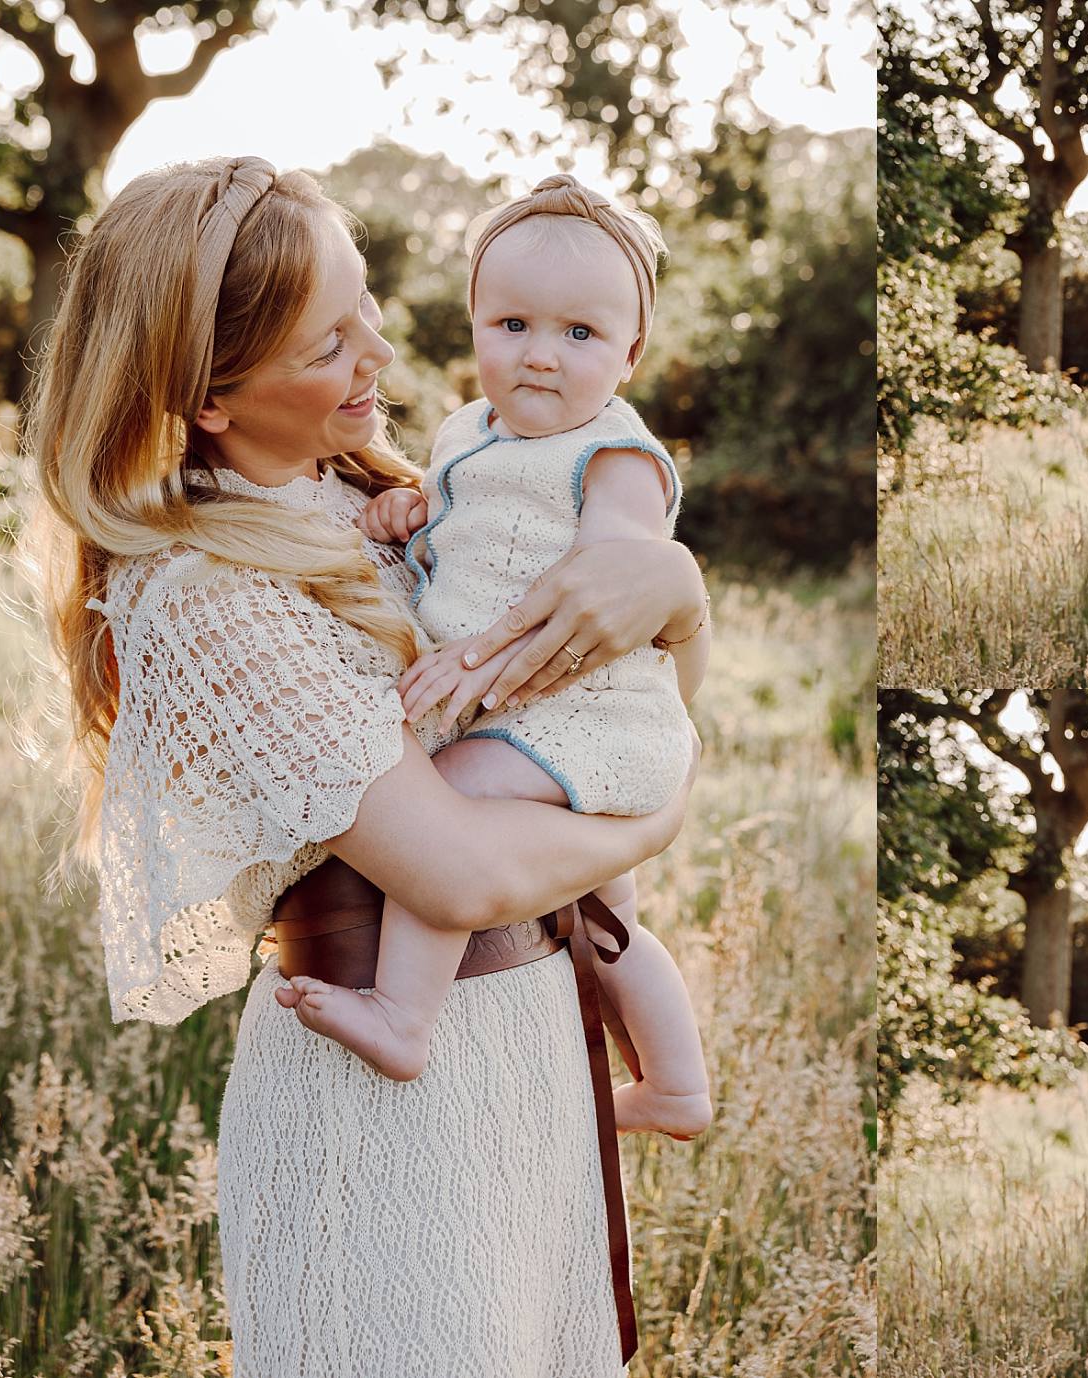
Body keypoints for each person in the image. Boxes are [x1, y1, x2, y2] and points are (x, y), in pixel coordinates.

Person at [26, 156, 709, 1375]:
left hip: (528, 1045)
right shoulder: (202, 591)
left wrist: (678, 598)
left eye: (370, 311)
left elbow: (628, 715)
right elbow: (451, 876)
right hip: (381, 1105)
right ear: (211, 401)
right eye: (330, 343)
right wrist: (658, 819)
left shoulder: (382, 494)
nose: (381, 359)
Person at [272, 175, 713, 1142]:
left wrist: (479, 653)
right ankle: (676, 1086)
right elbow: (464, 526)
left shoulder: (618, 459)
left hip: (586, 710)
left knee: (452, 802)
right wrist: (411, 513)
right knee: (607, 913)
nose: (542, 357)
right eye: (511, 323)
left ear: (631, 353)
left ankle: (404, 1016)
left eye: (581, 335)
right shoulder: (467, 434)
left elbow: (612, 573)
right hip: (524, 711)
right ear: (472, 322)